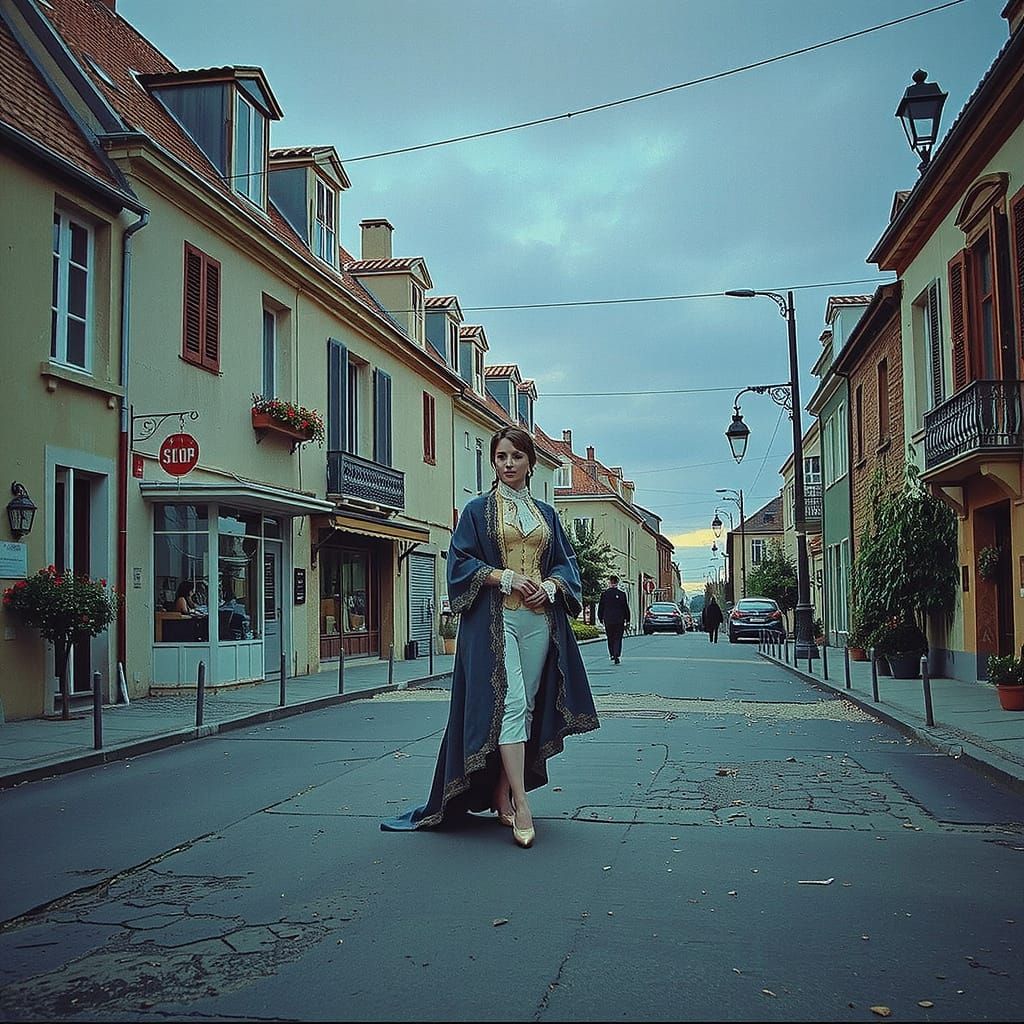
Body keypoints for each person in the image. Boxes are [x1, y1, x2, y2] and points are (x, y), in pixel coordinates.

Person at [382, 426, 599, 848]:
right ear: (494, 462)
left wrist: (551, 586)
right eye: (501, 457)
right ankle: (522, 804)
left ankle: (502, 792)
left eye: (516, 456)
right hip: (497, 622)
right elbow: (459, 562)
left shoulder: (546, 515)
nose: (508, 464)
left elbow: (566, 563)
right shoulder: (477, 511)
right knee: (512, 702)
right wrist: (504, 577)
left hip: (540, 622)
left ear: (530, 463)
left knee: (528, 705)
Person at [597, 575, 630, 664]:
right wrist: (627, 619)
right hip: (619, 619)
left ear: (610, 582)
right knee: (618, 637)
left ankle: (612, 653)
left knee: (610, 637)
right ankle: (617, 654)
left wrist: (600, 618)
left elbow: (601, 607)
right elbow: (625, 608)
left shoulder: (604, 594)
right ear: (617, 583)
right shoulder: (622, 594)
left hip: (608, 619)